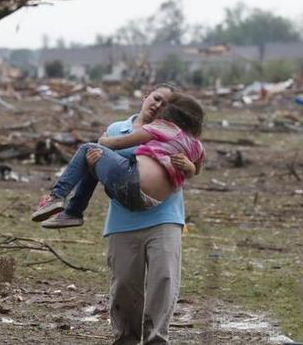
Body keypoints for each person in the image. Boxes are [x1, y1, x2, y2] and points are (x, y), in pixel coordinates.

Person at [41, 84, 194, 344]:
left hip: (165, 218)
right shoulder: (116, 130)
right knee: (124, 286)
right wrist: (94, 166)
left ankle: (157, 339)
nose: (157, 105)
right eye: (156, 98)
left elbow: (191, 166)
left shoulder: (174, 133)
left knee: (164, 282)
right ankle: (126, 339)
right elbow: (108, 172)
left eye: (165, 104)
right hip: (123, 221)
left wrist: (189, 166)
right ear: (145, 96)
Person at [31, 92, 204, 221]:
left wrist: (103, 140)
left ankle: (57, 197)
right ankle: (72, 213)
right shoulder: (197, 145)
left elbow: (118, 144)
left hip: (133, 183)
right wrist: (190, 167)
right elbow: (196, 170)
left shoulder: (162, 126)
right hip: (150, 202)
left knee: (88, 149)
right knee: (94, 159)